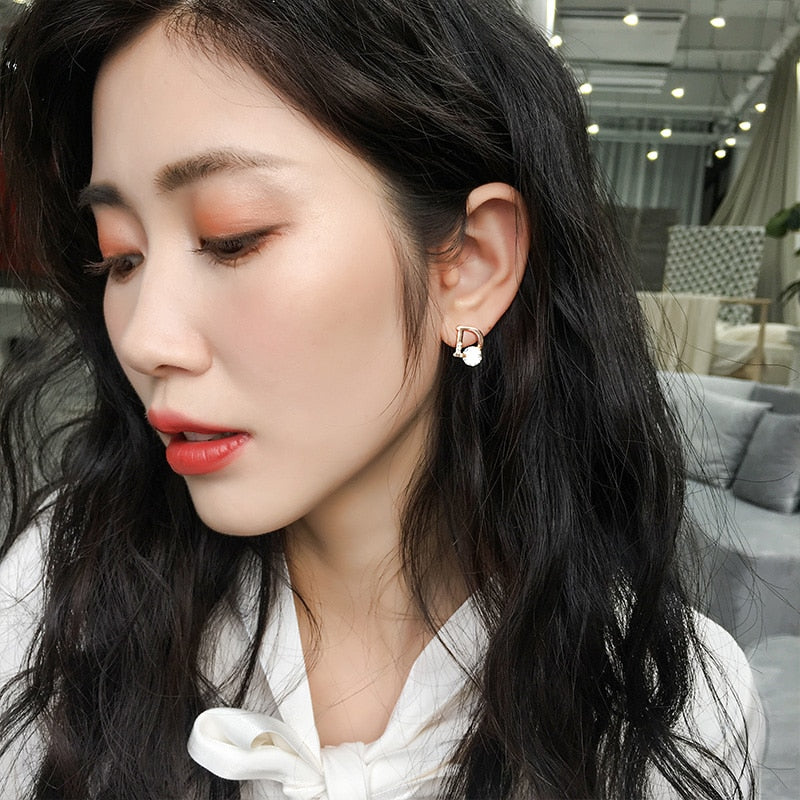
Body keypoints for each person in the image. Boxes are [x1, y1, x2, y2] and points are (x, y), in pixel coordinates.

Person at [0, 1, 763, 798]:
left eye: (233, 238)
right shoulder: (55, 595)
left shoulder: (671, 708)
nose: (145, 339)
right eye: (120, 257)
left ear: (469, 265)